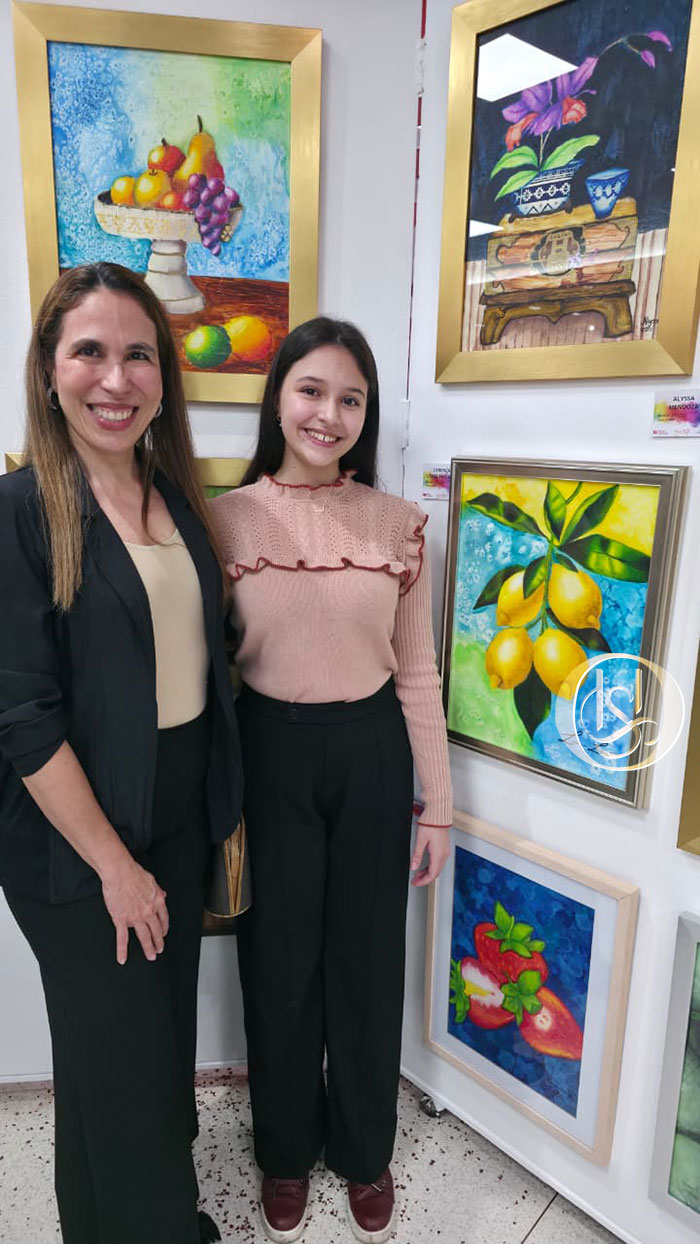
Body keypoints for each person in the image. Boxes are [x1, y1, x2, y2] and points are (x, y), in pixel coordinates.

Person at [0, 262, 243, 1244]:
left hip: (174, 812)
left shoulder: (173, 494)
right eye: (89, 351)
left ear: (163, 375)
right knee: (132, 1075)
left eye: (138, 354)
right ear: (48, 368)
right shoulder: (20, 510)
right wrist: (114, 865)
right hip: (75, 839)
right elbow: (22, 716)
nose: (115, 378)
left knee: (125, 1060)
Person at [210, 316, 453, 1244]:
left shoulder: (398, 525)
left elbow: (418, 670)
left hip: (371, 753)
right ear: (279, 397)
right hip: (268, 752)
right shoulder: (224, 520)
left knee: (365, 960)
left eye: (351, 398)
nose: (329, 414)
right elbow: (209, 669)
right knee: (277, 965)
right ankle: (283, 1148)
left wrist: (437, 805)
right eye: (312, 390)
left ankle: (364, 1150)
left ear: (366, 414)